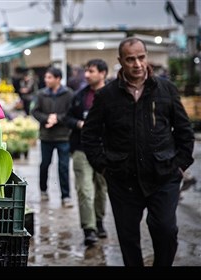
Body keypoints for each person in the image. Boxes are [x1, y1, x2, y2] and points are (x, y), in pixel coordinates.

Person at [81, 37, 195, 266]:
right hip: (123, 180)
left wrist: (179, 165)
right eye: (130, 59)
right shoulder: (107, 96)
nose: (137, 64)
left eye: (141, 57)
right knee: (128, 237)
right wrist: (104, 167)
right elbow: (90, 136)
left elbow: (185, 130)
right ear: (121, 61)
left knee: (165, 229)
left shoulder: (166, 89)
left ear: (146, 56)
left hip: (163, 175)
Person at [67, 59, 109, 246]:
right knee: (84, 189)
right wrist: (78, 124)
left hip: (105, 150)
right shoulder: (79, 96)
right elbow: (67, 117)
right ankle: (89, 229)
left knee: (101, 189)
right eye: (86, 70)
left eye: (91, 71)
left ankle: (99, 221)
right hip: (81, 148)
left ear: (103, 73)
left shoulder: (113, 95)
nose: (86, 75)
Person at [31, 67, 74, 208]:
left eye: (49, 77)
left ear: (58, 79)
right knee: (45, 164)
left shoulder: (68, 94)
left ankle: (66, 196)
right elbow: (35, 111)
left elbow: (71, 112)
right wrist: (47, 118)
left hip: (63, 136)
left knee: (63, 167)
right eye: (46, 77)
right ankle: (43, 190)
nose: (46, 80)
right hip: (46, 136)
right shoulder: (41, 94)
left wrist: (58, 118)